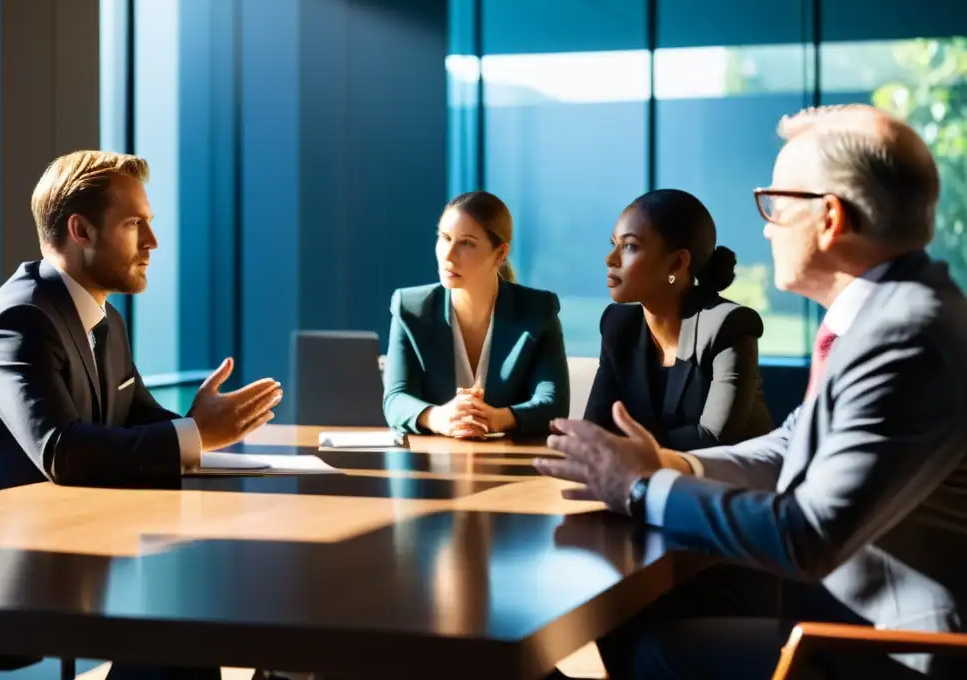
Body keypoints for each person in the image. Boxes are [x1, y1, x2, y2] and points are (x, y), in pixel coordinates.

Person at [537, 105, 967, 679]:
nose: (765, 226)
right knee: (636, 625)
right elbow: (791, 444)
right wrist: (670, 463)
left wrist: (643, 486)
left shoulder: (908, 333)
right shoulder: (887, 314)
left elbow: (806, 534)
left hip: (886, 653)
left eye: (775, 204)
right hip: (841, 622)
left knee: (648, 649)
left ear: (830, 218)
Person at [0, 150, 283, 501]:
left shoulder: (106, 319)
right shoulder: (18, 320)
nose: (152, 241)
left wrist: (206, 424)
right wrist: (195, 433)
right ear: (81, 231)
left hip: (67, 524)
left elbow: (135, 419)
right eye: (134, 223)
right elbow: (62, 451)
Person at [585, 189, 772, 451]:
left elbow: (713, 438)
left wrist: (622, 447)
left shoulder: (728, 325)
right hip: (648, 479)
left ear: (676, 264)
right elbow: (596, 427)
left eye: (629, 246)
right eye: (613, 244)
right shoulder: (618, 325)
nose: (611, 259)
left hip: (733, 483)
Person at [383, 191, 569, 438]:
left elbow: (553, 405)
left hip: (514, 464)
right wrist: (438, 417)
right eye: (445, 238)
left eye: (466, 243)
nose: (448, 255)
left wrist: (496, 418)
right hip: (429, 462)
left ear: (500, 254)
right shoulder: (410, 308)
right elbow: (395, 400)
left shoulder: (538, 311)